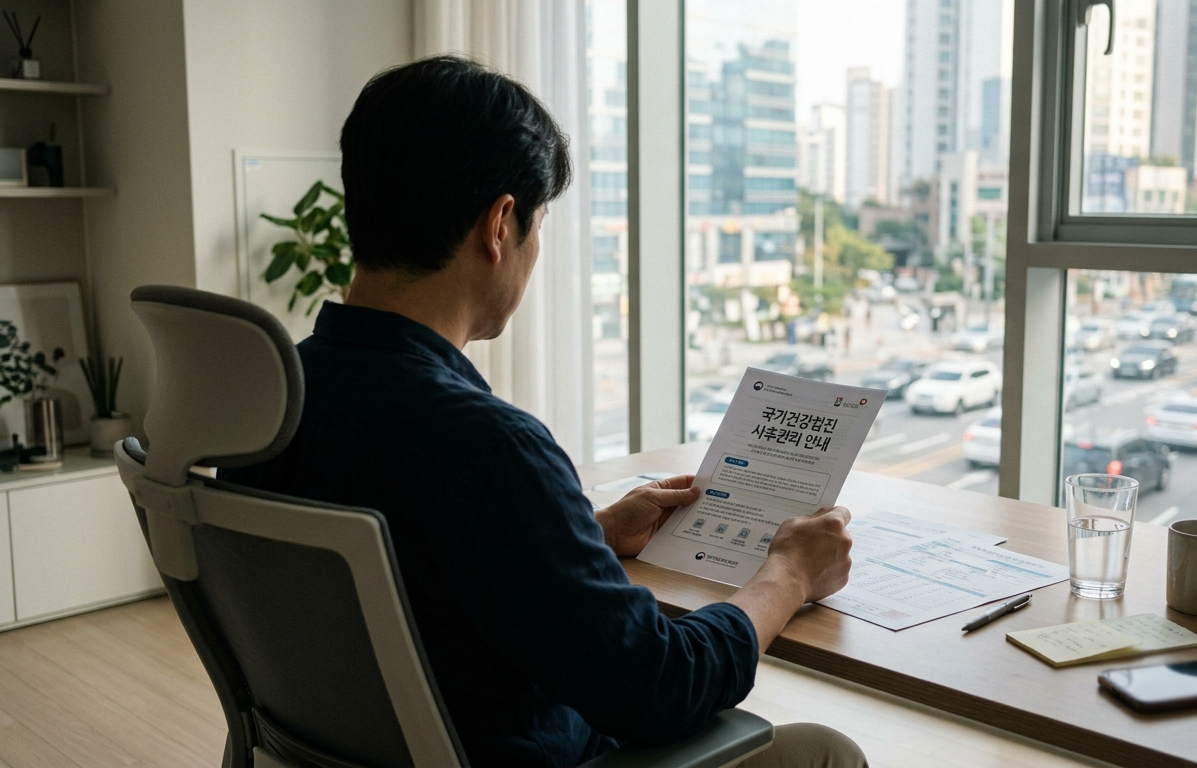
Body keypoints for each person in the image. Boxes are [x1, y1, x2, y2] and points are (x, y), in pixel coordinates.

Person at [221, 56, 867, 768]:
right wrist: (790, 574)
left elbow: (412, 578)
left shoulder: (268, 403)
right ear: (500, 225)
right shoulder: (484, 447)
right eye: (539, 225)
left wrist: (575, 534)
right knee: (826, 752)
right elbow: (660, 686)